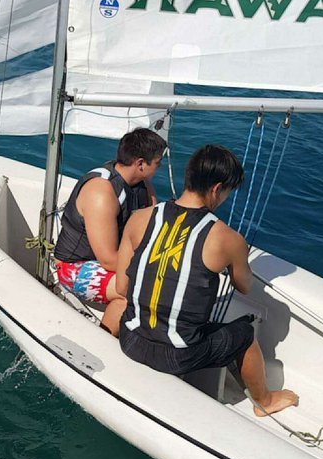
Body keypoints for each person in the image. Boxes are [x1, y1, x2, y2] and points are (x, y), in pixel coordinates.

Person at [116, 143, 299, 417]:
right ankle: (266, 402)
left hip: (130, 339)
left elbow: (121, 288)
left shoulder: (139, 218)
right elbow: (244, 286)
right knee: (245, 334)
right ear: (217, 189)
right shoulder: (228, 238)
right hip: (176, 356)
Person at [54, 127, 167, 335]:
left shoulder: (144, 185)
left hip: (119, 257)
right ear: (140, 164)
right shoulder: (101, 192)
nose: (159, 169)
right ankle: (104, 339)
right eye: (157, 163)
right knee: (132, 291)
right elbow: (108, 260)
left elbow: (151, 228)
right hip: (75, 266)